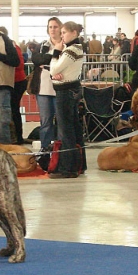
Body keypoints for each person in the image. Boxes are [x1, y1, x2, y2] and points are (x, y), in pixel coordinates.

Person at [48, 21, 87, 178]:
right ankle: (79, 165)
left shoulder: (70, 50)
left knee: (66, 131)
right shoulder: (75, 49)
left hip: (65, 92)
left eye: (64, 32)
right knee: (74, 129)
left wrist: (56, 53)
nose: (61, 35)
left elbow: (54, 69)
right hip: (70, 89)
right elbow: (56, 71)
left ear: (74, 33)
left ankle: (68, 168)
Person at [30, 17, 62, 149]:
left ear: (60, 28)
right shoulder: (42, 45)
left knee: (61, 122)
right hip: (43, 89)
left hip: (61, 88)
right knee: (45, 122)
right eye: (50, 27)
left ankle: (62, 151)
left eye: (55, 27)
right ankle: (45, 151)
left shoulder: (67, 45)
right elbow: (37, 60)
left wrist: (47, 62)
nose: (53, 29)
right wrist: (55, 55)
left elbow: (63, 63)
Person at [0, 26, 28, 145]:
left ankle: (17, 137)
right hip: (9, 82)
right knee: (11, 110)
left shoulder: (13, 46)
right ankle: (14, 136)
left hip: (17, 82)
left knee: (13, 110)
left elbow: (19, 64)